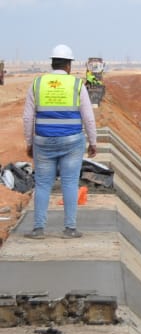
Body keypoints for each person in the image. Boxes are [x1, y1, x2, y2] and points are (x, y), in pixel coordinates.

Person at [22, 44, 97, 239]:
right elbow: (88, 117)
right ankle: (70, 229)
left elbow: (28, 118)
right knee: (70, 183)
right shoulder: (76, 84)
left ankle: (38, 229)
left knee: (43, 184)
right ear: (69, 65)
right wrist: (93, 142)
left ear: (52, 63)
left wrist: (29, 143)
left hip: (43, 142)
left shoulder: (37, 84)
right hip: (72, 141)